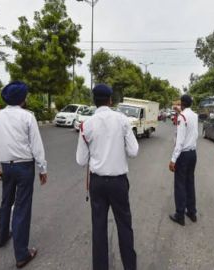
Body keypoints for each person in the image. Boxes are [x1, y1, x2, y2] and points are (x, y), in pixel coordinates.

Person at [0, 81, 48, 269]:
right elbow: (36, 146)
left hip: (6, 168)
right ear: (22, 99)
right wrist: (43, 169)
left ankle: (2, 237)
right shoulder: (28, 117)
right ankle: (22, 255)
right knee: (22, 209)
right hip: (25, 168)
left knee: (6, 202)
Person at [76, 84, 139, 270]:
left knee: (99, 227)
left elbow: (81, 160)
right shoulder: (122, 120)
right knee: (124, 226)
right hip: (118, 182)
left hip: (97, 183)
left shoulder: (86, 124)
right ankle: (130, 266)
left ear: (94, 101)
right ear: (110, 100)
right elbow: (134, 151)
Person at [169, 95, 198, 226]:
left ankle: (180, 215)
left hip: (183, 155)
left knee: (180, 184)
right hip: (193, 153)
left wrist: (173, 159)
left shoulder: (182, 117)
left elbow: (179, 141)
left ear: (181, 103)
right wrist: (179, 112)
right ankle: (192, 212)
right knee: (190, 183)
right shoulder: (194, 115)